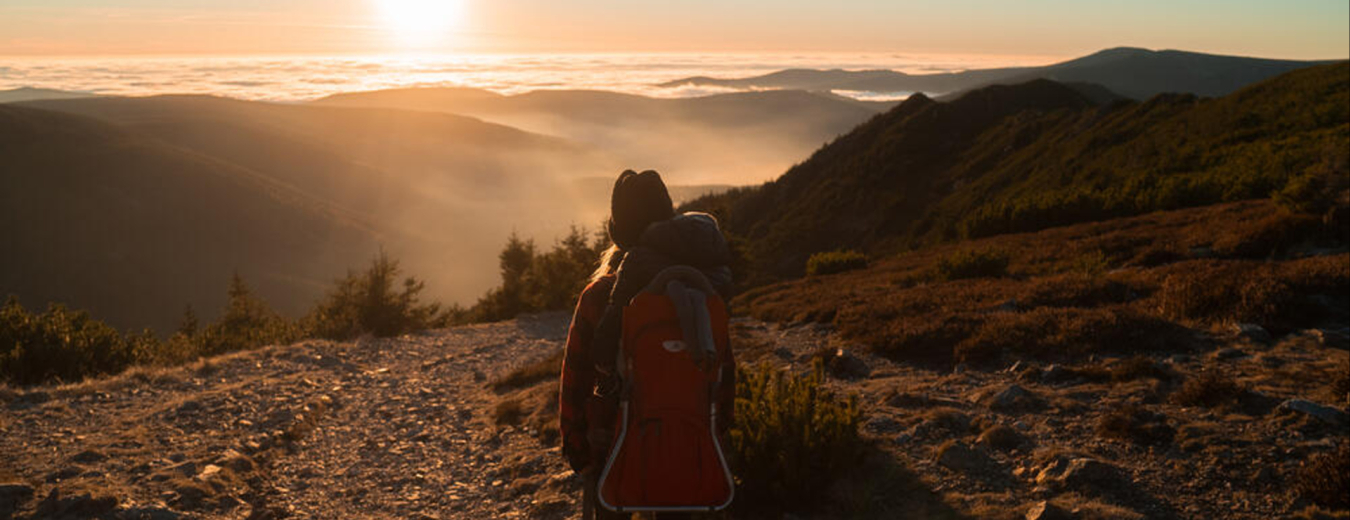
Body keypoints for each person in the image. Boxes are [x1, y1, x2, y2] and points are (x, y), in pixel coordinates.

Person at [558, 170, 735, 519]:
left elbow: (575, 379)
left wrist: (579, 452)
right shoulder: (700, 290)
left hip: (611, 443)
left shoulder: (601, 296)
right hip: (688, 443)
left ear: (618, 231)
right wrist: (717, 435)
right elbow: (723, 374)